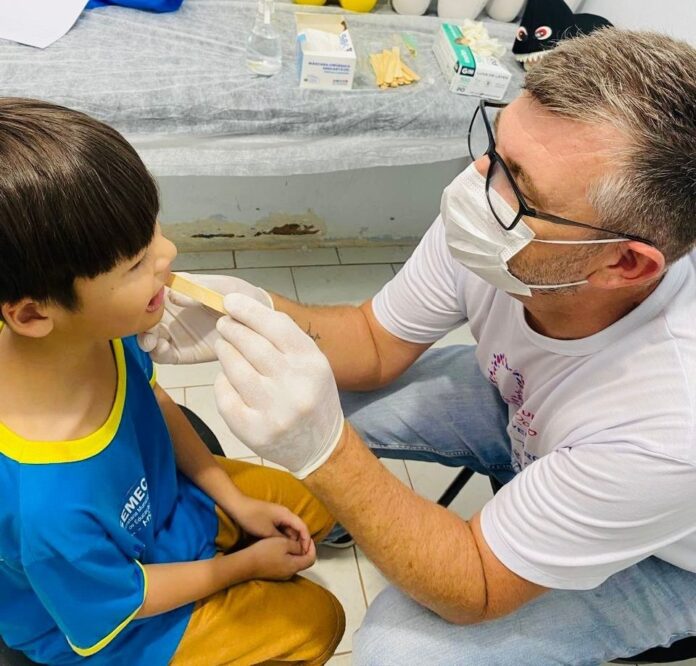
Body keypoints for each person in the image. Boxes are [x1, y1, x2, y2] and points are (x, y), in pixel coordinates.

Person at [141, 28, 696, 665]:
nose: (478, 183)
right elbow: (374, 343)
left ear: (624, 263)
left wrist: (327, 453)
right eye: (495, 147)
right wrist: (262, 311)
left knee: (401, 652)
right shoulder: (501, 217)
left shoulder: (668, 423)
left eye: (521, 186)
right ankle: (346, 515)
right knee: (331, 390)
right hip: (530, 412)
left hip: (667, 553)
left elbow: (477, 586)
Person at [0, 98, 344, 666]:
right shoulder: (46, 508)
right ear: (35, 314)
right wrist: (243, 567)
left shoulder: (99, 331)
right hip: (124, 620)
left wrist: (234, 500)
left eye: (153, 233)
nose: (169, 253)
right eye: (136, 263)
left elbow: (156, 403)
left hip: (167, 508)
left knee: (319, 505)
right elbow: (124, 601)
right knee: (318, 623)